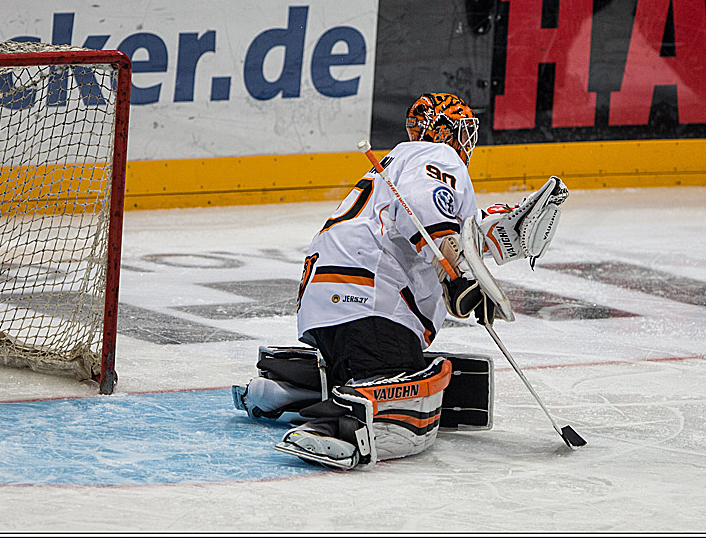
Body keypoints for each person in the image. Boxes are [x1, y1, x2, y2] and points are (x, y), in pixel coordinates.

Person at [233, 92, 569, 469]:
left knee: (373, 369)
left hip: (329, 302)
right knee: (412, 420)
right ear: (448, 132)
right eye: (463, 132)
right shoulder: (438, 156)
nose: (466, 143)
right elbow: (426, 210)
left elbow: (449, 231)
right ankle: (334, 425)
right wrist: (454, 272)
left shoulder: (398, 164)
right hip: (370, 303)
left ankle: (290, 389)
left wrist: (488, 247)